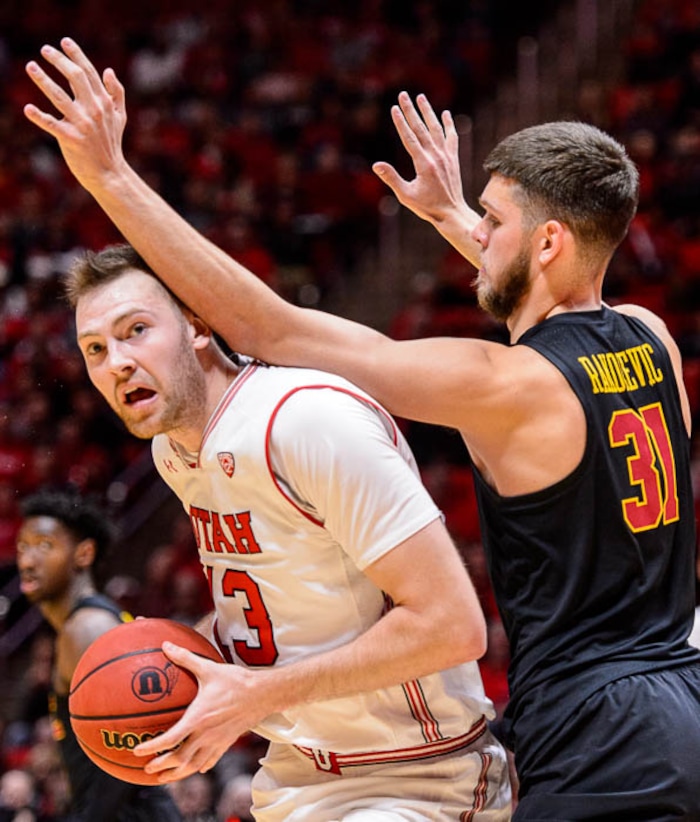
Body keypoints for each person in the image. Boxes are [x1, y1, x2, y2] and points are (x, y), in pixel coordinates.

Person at [23, 37, 700, 818]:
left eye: (492, 220)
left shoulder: (504, 383)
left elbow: (272, 331)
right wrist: (452, 214)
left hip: (596, 726)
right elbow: (557, 294)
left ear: (547, 241)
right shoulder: (651, 337)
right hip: (680, 692)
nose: (477, 233)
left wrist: (110, 177)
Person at [15, 486, 184, 822]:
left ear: (84, 554)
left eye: (45, 546)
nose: (28, 560)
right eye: (23, 547)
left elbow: (126, 749)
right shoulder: (84, 622)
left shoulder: (86, 628)